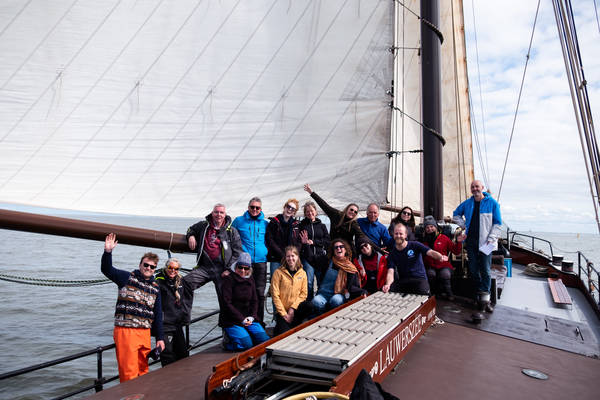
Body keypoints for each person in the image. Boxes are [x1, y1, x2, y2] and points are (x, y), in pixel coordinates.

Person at [101, 233, 165, 382]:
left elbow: (157, 314)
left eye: (152, 267)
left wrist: (160, 338)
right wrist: (108, 252)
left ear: (155, 269)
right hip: (126, 332)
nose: (148, 268)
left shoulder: (155, 288)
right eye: (146, 265)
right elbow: (107, 269)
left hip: (145, 333)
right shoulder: (126, 277)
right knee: (129, 373)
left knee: (143, 370)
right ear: (140, 265)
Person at [453, 180, 502, 312]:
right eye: (472, 187)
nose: (475, 189)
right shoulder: (468, 203)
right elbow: (455, 214)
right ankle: (478, 296)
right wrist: (463, 225)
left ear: (482, 188)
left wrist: (491, 239)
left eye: (477, 187)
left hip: (488, 243)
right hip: (471, 242)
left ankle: (486, 299)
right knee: (473, 270)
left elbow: (497, 224)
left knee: (485, 270)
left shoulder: (492, 203)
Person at [185, 203, 243, 300]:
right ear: (212, 213)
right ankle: (185, 314)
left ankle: (225, 315)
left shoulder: (232, 231)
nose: (218, 215)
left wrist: (229, 270)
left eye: (221, 212)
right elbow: (190, 229)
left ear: (225, 215)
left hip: (223, 270)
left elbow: (238, 252)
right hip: (205, 267)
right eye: (216, 212)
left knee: (226, 299)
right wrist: (191, 236)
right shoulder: (203, 226)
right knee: (185, 284)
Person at [220, 252, 270, 350]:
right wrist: (241, 319)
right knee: (246, 345)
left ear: (249, 269)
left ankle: (247, 334)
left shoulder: (250, 279)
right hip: (232, 320)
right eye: (240, 267)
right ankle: (227, 342)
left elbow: (255, 300)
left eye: (246, 268)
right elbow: (226, 303)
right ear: (236, 266)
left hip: (248, 318)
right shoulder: (228, 280)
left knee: (264, 340)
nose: (243, 270)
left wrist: (252, 317)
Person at [232, 197, 269, 322]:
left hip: (261, 262)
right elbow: (230, 236)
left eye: (257, 208)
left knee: (259, 293)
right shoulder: (238, 221)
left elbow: (270, 239)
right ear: (248, 207)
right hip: (244, 262)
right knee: (242, 293)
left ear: (260, 209)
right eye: (252, 207)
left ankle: (258, 322)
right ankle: (242, 320)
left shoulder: (265, 223)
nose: (254, 209)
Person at [382, 224, 447, 295]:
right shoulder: (392, 253)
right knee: (390, 291)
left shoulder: (415, 245)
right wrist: (388, 284)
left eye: (401, 234)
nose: (398, 236)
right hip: (404, 280)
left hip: (419, 279)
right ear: (393, 235)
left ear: (406, 235)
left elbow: (430, 252)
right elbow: (390, 272)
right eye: (396, 234)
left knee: (424, 294)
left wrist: (440, 257)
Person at [303, 183, 368, 249]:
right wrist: (311, 192)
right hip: (333, 249)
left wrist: (376, 249)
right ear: (347, 209)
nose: (353, 212)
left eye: (355, 212)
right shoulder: (336, 214)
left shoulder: (353, 224)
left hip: (346, 251)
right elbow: (324, 205)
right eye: (351, 209)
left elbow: (362, 236)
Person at [312, 239, 366, 315]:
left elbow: (352, 286)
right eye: (336, 247)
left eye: (341, 247)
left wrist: (362, 291)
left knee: (336, 300)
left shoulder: (350, 267)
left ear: (345, 250)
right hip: (324, 294)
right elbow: (312, 259)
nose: (338, 249)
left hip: (339, 294)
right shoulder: (327, 262)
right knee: (315, 301)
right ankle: (322, 315)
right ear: (333, 251)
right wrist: (306, 245)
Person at [155, 258, 191, 367]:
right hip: (164, 326)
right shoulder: (158, 282)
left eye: (176, 268)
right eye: (170, 268)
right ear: (166, 267)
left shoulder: (180, 281)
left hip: (177, 325)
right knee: (167, 356)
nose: (173, 270)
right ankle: (168, 381)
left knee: (183, 355)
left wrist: (185, 316)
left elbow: (186, 298)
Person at [421, 216, 464, 300]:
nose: (430, 229)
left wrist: (459, 242)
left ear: (436, 227)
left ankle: (449, 293)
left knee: (445, 274)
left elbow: (456, 251)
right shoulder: (423, 241)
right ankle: (433, 293)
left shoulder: (444, 238)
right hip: (430, 265)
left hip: (443, 265)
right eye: (427, 227)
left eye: (431, 226)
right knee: (430, 274)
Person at [270, 246, 311, 335]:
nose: (290, 258)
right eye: (288, 256)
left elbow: (304, 294)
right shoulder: (278, 273)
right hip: (283, 312)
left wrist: (293, 308)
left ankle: (302, 323)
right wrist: (284, 314)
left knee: (310, 305)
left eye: (293, 256)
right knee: (283, 335)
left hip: (295, 310)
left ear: (297, 257)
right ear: (285, 258)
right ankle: (283, 325)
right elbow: (275, 295)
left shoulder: (303, 273)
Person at [298, 201, 330, 298]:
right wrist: (304, 243)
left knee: (321, 281)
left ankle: (320, 304)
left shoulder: (322, 226)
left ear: (316, 212)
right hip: (307, 258)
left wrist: (314, 242)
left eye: (311, 211)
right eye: (307, 212)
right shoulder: (302, 226)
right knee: (309, 282)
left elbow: (327, 241)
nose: (310, 213)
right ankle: (309, 304)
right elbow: (299, 242)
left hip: (320, 257)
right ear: (305, 214)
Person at [266, 198, 301, 282]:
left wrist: (293, 254)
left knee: (289, 283)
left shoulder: (296, 225)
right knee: (275, 282)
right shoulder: (274, 222)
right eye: (288, 207)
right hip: (276, 258)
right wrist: (282, 255)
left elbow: (299, 242)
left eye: (293, 209)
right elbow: (270, 240)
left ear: (294, 212)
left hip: (291, 259)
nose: (290, 210)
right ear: (284, 207)